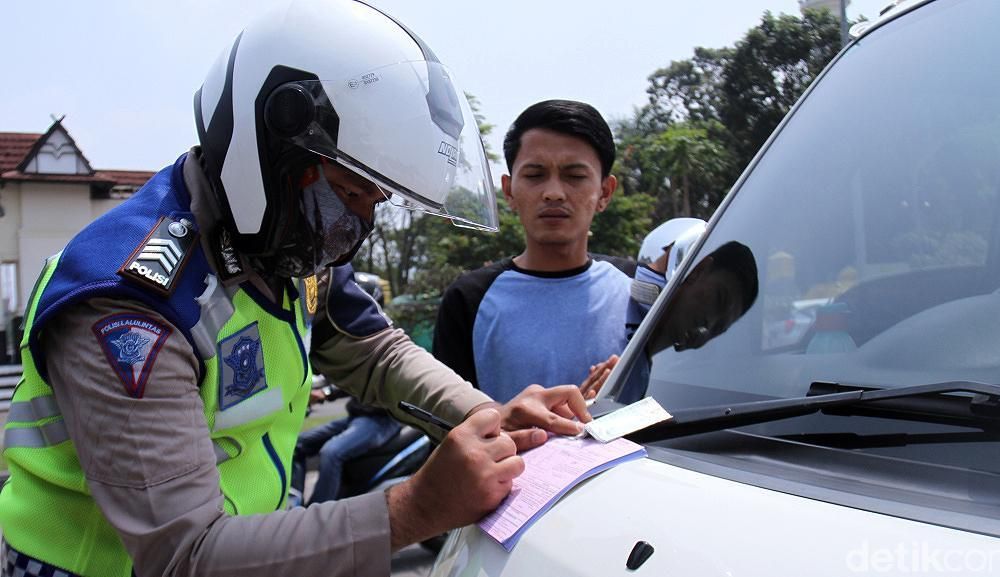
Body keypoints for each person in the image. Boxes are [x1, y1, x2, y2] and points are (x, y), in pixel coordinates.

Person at [0, 3, 592, 576]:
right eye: (349, 191)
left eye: (375, 200)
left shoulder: (279, 242)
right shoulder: (133, 304)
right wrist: (415, 508)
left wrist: (486, 413)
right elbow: (185, 555)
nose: (357, 223)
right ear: (271, 151)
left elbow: (376, 352)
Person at [432, 100, 632, 403]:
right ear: (509, 191)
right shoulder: (468, 300)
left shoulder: (642, 292)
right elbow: (447, 420)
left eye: (575, 176)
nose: (553, 193)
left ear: (605, 192)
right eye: (535, 175)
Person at [616, 241, 760, 403]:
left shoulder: (656, 384)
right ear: (699, 271)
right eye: (718, 300)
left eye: (720, 327)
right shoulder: (607, 285)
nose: (710, 323)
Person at [290, 378, 401, 506]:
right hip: (357, 416)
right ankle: (294, 500)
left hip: (380, 420)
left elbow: (367, 380)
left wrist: (328, 392)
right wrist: (326, 392)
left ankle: (318, 511)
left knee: (331, 452)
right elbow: (354, 379)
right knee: (297, 443)